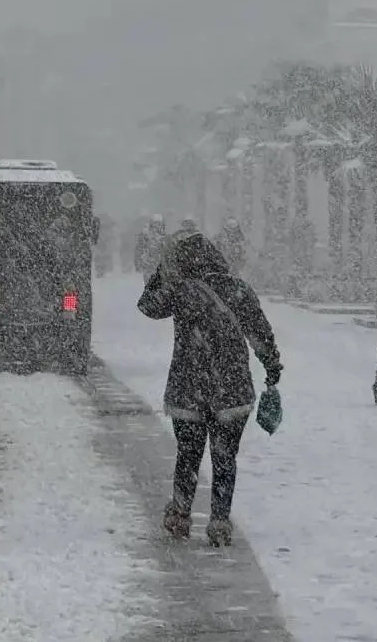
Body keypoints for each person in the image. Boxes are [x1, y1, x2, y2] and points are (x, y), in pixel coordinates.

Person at [137, 231, 282, 547]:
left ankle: (180, 514)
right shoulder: (238, 290)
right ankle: (219, 521)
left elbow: (147, 305)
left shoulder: (181, 291)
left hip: (189, 387)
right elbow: (260, 333)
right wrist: (272, 365)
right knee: (225, 457)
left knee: (188, 456)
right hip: (231, 387)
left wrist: (163, 271)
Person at [135, 215, 166, 283]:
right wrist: (138, 263)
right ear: (151, 224)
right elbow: (139, 250)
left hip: (161, 266)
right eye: (155, 224)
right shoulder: (145, 236)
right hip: (148, 265)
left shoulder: (165, 237)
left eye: (159, 224)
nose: (157, 226)